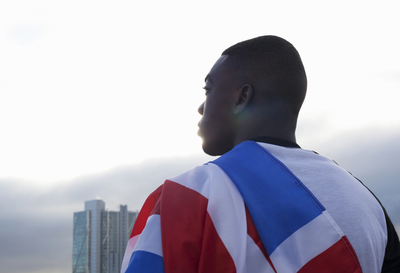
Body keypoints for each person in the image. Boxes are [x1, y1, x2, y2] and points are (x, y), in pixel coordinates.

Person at [120, 35, 400, 273]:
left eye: (208, 89)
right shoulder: (367, 203)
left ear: (242, 98)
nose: (201, 107)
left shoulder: (185, 196)